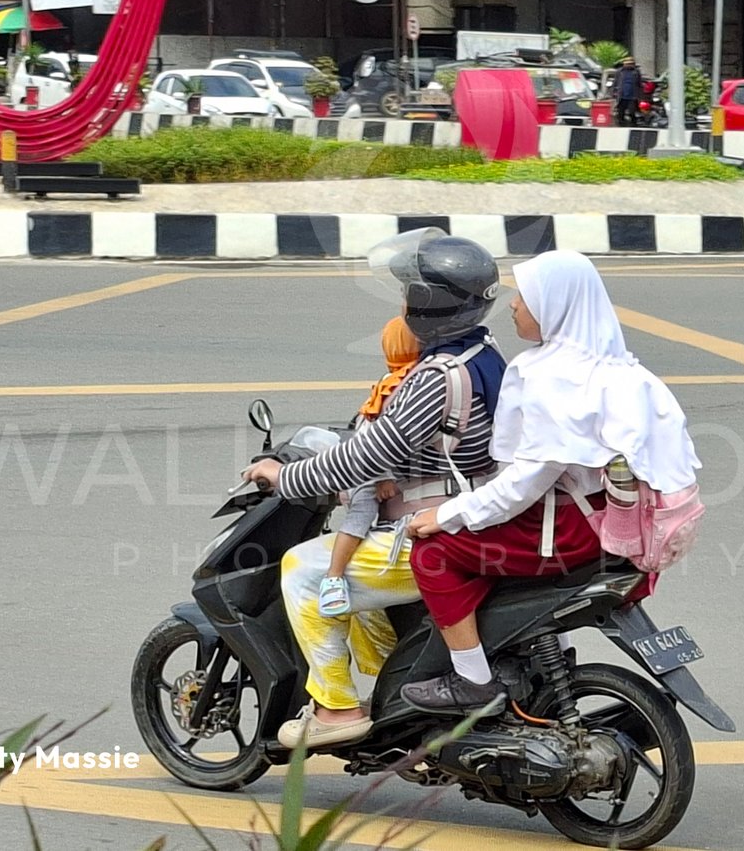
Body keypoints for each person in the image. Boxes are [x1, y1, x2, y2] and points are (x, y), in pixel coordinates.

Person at [399, 250, 701, 715]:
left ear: (555, 305)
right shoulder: (626, 372)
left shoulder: (552, 376)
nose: (514, 304)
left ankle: (473, 682)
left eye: (526, 296)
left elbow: (524, 482)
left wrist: (447, 513)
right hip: (612, 522)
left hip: (565, 531)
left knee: (433, 554)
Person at [241, 229, 505, 748]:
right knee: (355, 593)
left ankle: (336, 710)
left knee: (305, 570)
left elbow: (368, 456)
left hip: (435, 528)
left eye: (408, 294)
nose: (401, 305)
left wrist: (284, 476)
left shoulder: (435, 377)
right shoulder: (483, 352)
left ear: (426, 306)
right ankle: (399, 698)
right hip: (475, 512)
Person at [318, 316, 421, 618]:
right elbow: (374, 440)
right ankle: (334, 577)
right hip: (367, 472)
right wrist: (382, 478)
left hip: (371, 465)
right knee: (361, 516)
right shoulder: (397, 386)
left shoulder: (407, 378)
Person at [614, 56, 643, 126]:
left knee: (632, 111)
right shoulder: (619, 72)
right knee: (621, 111)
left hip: (632, 95)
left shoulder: (636, 72)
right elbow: (616, 82)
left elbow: (639, 83)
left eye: (631, 64)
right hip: (622, 95)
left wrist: (640, 94)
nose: (629, 65)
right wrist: (614, 92)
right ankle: (621, 124)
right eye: (627, 64)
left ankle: (633, 124)